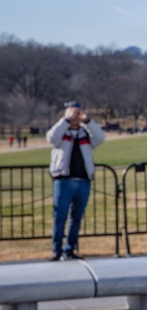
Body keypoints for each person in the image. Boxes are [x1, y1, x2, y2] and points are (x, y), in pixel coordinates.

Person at [46, 102, 106, 260]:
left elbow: (100, 137)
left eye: (78, 113)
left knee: (76, 218)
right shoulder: (61, 133)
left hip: (83, 180)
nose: (75, 116)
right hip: (63, 180)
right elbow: (51, 137)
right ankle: (56, 250)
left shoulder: (84, 133)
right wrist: (65, 120)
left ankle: (70, 249)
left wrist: (88, 121)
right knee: (60, 216)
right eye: (73, 113)